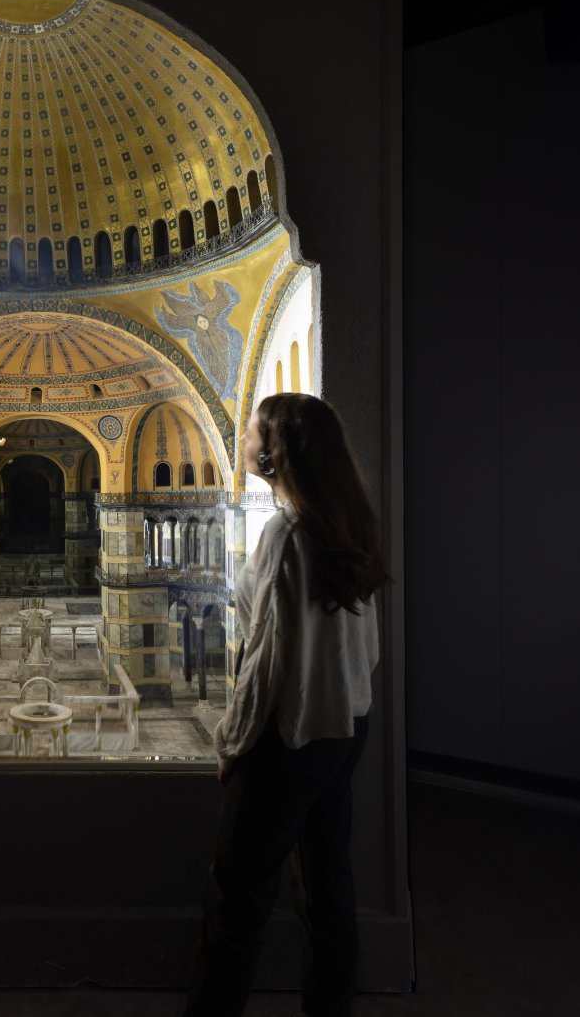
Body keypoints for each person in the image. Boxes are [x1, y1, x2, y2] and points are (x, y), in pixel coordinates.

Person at [182, 394, 387, 1017]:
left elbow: (266, 660)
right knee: (326, 890)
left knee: (236, 902)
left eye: (252, 430)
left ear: (274, 451)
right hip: (345, 727)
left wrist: (232, 743)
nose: (243, 437)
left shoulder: (288, 532)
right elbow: (366, 644)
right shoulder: (341, 520)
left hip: (289, 738)